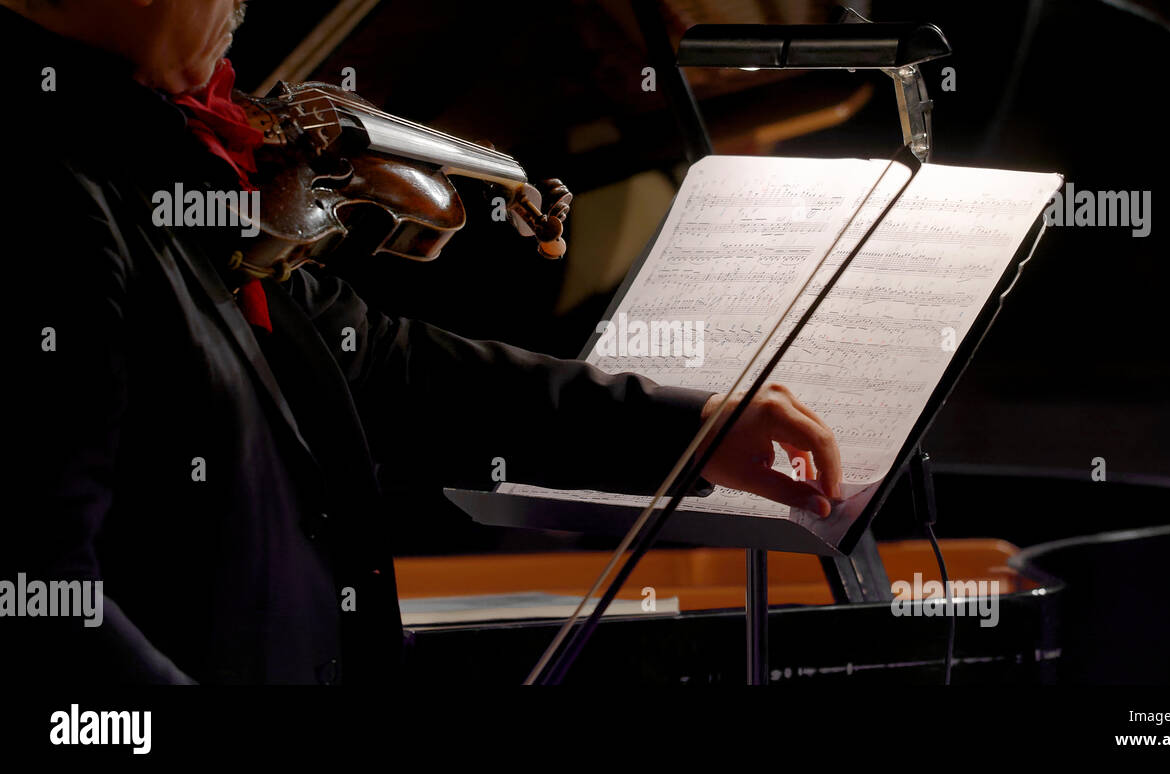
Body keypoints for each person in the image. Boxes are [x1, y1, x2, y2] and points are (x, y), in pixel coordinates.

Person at [1, 0, 842, 684]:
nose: (245, 3)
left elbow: (381, 365)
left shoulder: (147, 154)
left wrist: (687, 429)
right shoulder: (47, 188)